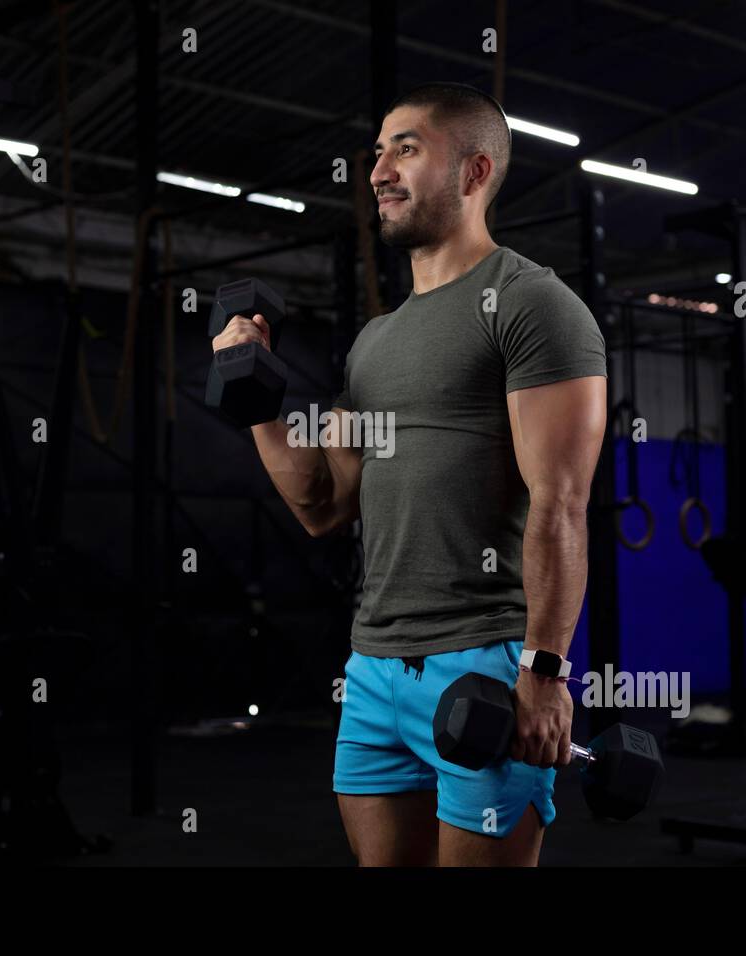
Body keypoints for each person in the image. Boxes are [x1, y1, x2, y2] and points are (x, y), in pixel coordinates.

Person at [211, 82, 607, 866]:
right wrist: (255, 394)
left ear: (473, 171)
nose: (378, 171)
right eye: (377, 152)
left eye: (406, 148)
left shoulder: (534, 305)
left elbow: (561, 503)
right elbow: (323, 503)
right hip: (373, 667)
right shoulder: (374, 342)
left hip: (484, 660)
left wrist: (545, 670)